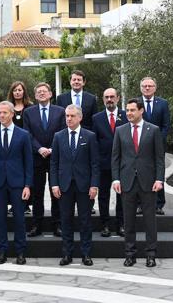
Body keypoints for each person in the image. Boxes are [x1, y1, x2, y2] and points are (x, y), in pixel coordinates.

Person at [112, 98, 165, 268]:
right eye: (127, 110)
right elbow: (116, 158)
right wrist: (116, 179)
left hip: (148, 182)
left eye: (132, 110)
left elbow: (159, 158)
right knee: (128, 221)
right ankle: (130, 254)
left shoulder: (153, 130)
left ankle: (151, 254)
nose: (128, 113)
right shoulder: (120, 131)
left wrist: (159, 179)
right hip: (127, 182)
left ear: (141, 111)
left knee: (150, 220)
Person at [50, 105, 100, 266]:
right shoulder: (58, 136)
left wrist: (94, 185)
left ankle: (86, 254)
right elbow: (54, 163)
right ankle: (67, 254)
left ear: (80, 117)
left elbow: (95, 163)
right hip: (64, 185)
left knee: (85, 220)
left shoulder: (90, 136)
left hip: (84, 185)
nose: (69, 119)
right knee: (65, 220)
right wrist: (54, 184)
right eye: (67, 116)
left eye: (72, 116)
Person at [0, 101, 32, 265]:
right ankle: (2, 251)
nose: (1, 116)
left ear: (12, 113)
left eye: (4, 112)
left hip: (17, 182)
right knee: (0, 219)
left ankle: (20, 252)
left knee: (19, 218)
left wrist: (27, 185)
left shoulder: (23, 134)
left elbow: (28, 162)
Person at [23, 82, 66, 237]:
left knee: (56, 192)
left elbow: (63, 131)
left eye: (44, 91)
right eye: (38, 92)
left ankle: (57, 225)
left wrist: (53, 149)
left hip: (56, 157)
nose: (41, 93)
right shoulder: (29, 112)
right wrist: (39, 148)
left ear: (50, 94)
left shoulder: (60, 111)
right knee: (37, 193)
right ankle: (36, 225)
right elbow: (27, 133)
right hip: (36, 157)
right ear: (35, 96)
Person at [91, 88, 127, 237]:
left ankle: (121, 225)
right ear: (103, 99)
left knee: (122, 196)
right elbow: (94, 142)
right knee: (104, 195)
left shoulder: (126, 116)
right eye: (107, 97)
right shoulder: (96, 118)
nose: (109, 99)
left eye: (112, 96)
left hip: (123, 164)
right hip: (103, 163)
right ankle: (105, 224)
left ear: (118, 98)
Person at [139, 77, 170, 215]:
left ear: (155, 88)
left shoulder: (163, 103)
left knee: (158, 172)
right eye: (144, 86)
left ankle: (158, 204)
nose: (147, 88)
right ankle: (140, 204)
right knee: (139, 174)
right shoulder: (136, 103)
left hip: (158, 146)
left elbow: (165, 125)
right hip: (138, 145)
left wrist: (157, 140)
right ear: (141, 88)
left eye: (150, 86)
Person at [6, 81, 33, 215]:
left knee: (25, 174)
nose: (17, 92)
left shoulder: (30, 107)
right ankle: (12, 204)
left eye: (20, 90)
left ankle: (27, 204)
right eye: (15, 90)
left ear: (24, 92)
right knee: (12, 175)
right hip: (11, 147)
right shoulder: (8, 108)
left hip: (26, 145)